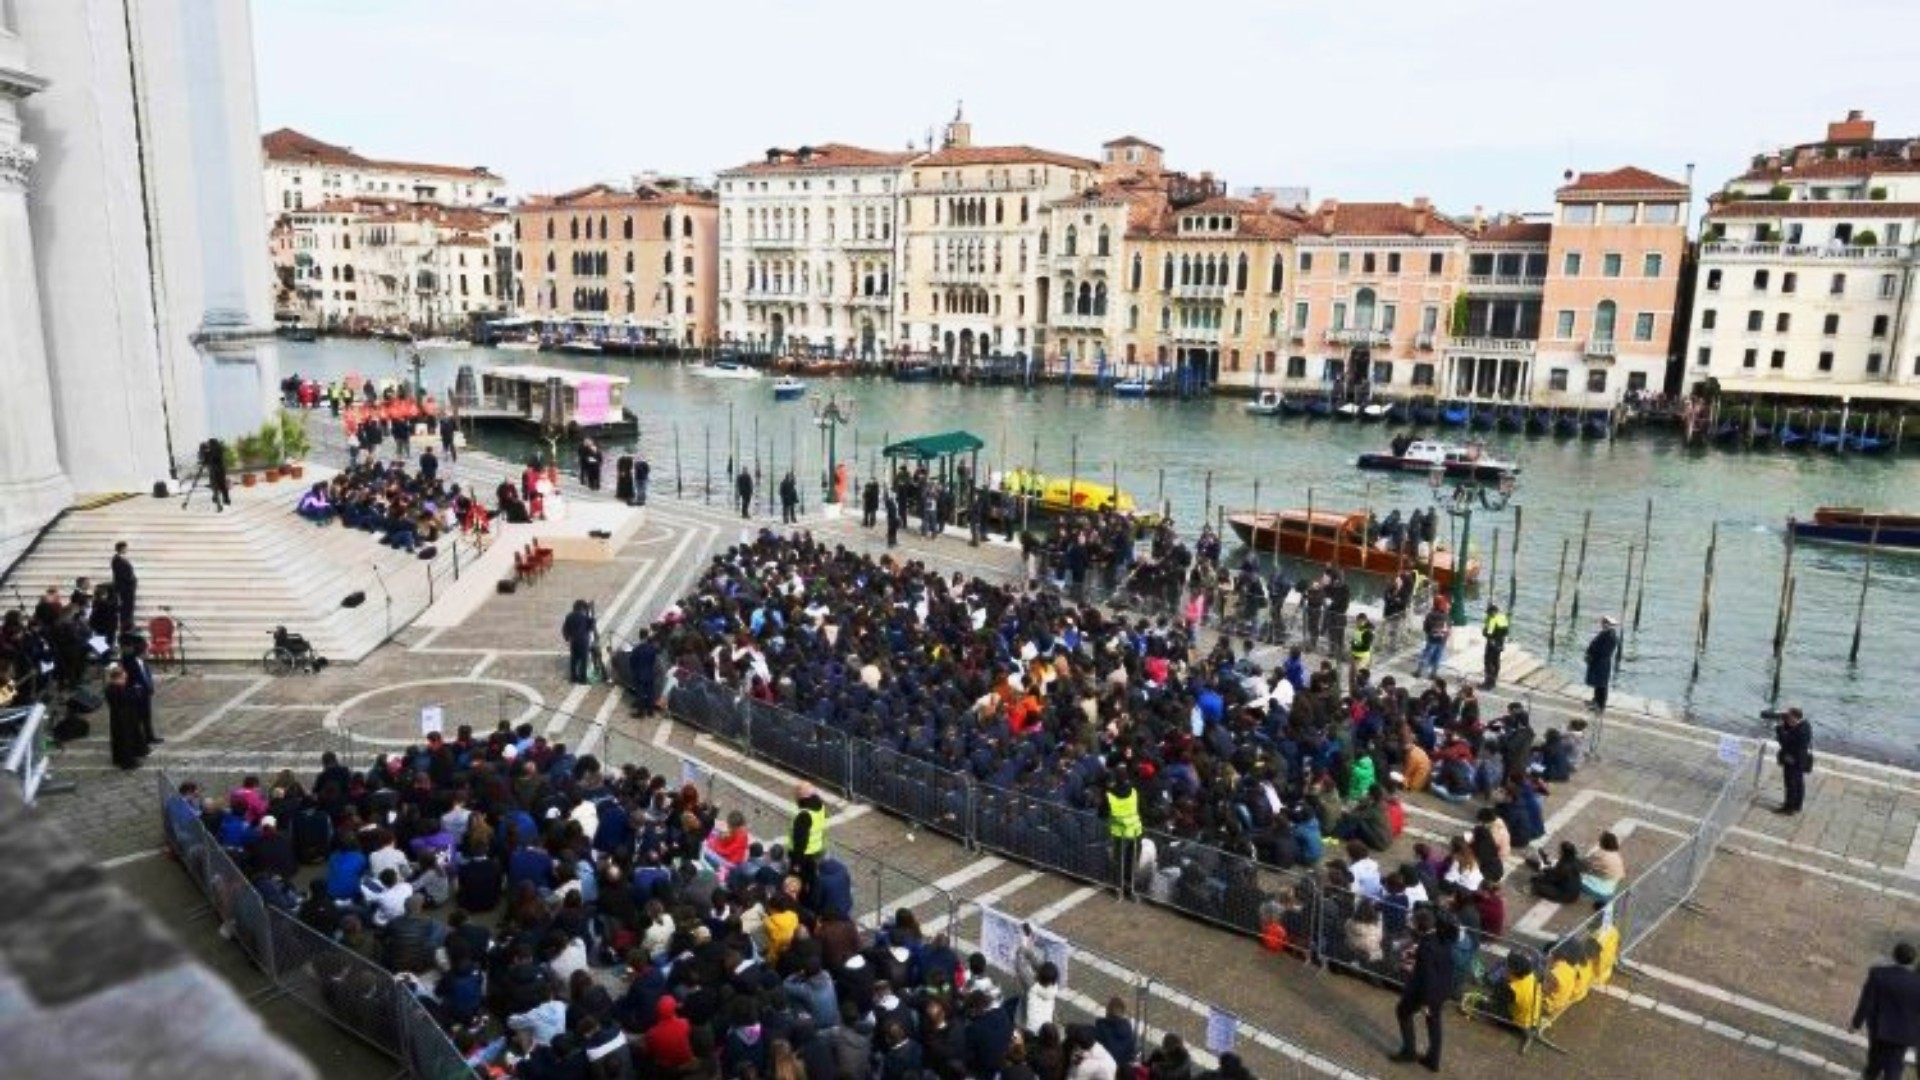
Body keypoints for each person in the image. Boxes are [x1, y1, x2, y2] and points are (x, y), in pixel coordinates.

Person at [1391, 907, 1453, 1070]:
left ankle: (1409, 1051)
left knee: (1402, 1011)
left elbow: (1427, 977)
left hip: (1424, 991)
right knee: (1434, 1023)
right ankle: (1433, 1059)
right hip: (1443, 987)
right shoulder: (1443, 937)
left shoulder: (1426, 946)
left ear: (1420, 927)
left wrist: (1426, 1002)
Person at [1851, 942, 1920, 1080]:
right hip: (1904, 1034)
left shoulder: (1878, 974)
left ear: (1894, 956)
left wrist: (1856, 1024)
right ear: (1913, 961)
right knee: (1894, 1066)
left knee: (1874, 1062)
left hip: (1879, 1030)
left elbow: (1866, 1002)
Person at [1101, 771, 1143, 899]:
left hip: (1119, 833)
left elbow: (1102, 812)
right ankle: (1130, 888)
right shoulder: (1134, 792)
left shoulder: (1110, 795)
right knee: (1131, 861)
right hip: (1135, 831)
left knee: (1118, 861)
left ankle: (1118, 888)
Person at [105, 663, 148, 769]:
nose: (125, 680)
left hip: (120, 717)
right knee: (125, 739)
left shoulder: (112, 688)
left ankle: (121, 758)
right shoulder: (117, 689)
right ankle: (128, 762)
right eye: (123, 678)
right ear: (118, 678)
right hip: (123, 718)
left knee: (122, 738)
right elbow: (126, 700)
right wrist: (136, 692)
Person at [1772, 706, 1813, 815]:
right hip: (1800, 759)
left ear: (1795, 717)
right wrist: (1785, 723)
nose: (1787, 718)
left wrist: (1779, 727)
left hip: (1793, 760)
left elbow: (1785, 742)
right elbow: (1791, 729)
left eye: (1789, 716)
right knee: (1799, 783)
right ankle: (1797, 805)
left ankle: (1788, 808)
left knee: (1791, 784)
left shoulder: (1800, 731)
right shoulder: (1805, 725)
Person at [789, 781, 828, 896]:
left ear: (800, 797)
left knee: (798, 885)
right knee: (814, 881)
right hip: (818, 850)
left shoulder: (804, 815)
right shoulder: (820, 806)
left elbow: (800, 842)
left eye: (796, 796)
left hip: (805, 857)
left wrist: (797, 864)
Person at [1584, 615, 1619, 712]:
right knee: (1598, 683)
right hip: (1598, 661)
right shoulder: (1606, 634)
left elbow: (1603, 650)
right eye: (1603, 622)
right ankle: (1595, 701)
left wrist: (1592, 656)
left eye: (1604, 623)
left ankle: (1600, 705)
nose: (1602, 624)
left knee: (1602, 685)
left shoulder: (1610, 636)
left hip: (1601, 662)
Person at [1415, 597, 1450, 679]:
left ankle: (1419, 672)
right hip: (1442, 641)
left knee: (1426, 655)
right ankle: (1433, 674)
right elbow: (1449, 627)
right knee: (1438, 656)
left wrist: (1429, 633)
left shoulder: (1430, 615)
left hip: (1432, 639)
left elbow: (1425, 627)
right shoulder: (1446, 615)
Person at [562, 600, 596, 685]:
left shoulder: (569, 616)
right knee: (584, 660)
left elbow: (565, 629)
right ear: (582, 608)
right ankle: (583, 679)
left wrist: (567, 638)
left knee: (574, 659)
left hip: (573, 641)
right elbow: (591, 628)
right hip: (583, 641)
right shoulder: (584, 617)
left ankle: (573, 677)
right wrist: (591, 613)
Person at [111, 541, 137, 633]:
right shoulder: (117, 560)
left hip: (128, 589)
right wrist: (132, 580)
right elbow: (122, 575)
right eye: (125, 548)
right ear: (121, 548)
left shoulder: (121, 559)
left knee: (128, 609)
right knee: (126, 609)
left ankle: (128, 626)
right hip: (125, 589)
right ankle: (125, 628)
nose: (127, 549)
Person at [1481, 602, 1509, 689]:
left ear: (1492, 612)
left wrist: (1485, 633)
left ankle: (1488, 683)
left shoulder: (1492, 619)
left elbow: (1488, 633)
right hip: (1500, 642)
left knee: (1488, 662)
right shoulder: (1502, 617)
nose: (1488, 614)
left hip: (1492, 643)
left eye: (1489, 612)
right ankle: (1493, 681)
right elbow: (1506, 632)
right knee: (1496, 661)